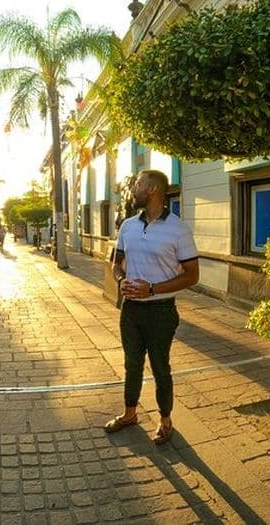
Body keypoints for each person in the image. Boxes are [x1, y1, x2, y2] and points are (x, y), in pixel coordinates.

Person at [104, 170, 200, 445]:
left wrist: (153, 289)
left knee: (160, 367)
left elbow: (192, 275)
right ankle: (129, 413)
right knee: (132, 365)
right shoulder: (127, 226)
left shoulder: (178, 229)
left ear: (154, 189)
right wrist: (121, 279)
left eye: (138, 185)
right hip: (131, 310)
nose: (133, 189)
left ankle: (165, 421)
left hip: (161, 312)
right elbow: (116, 264)